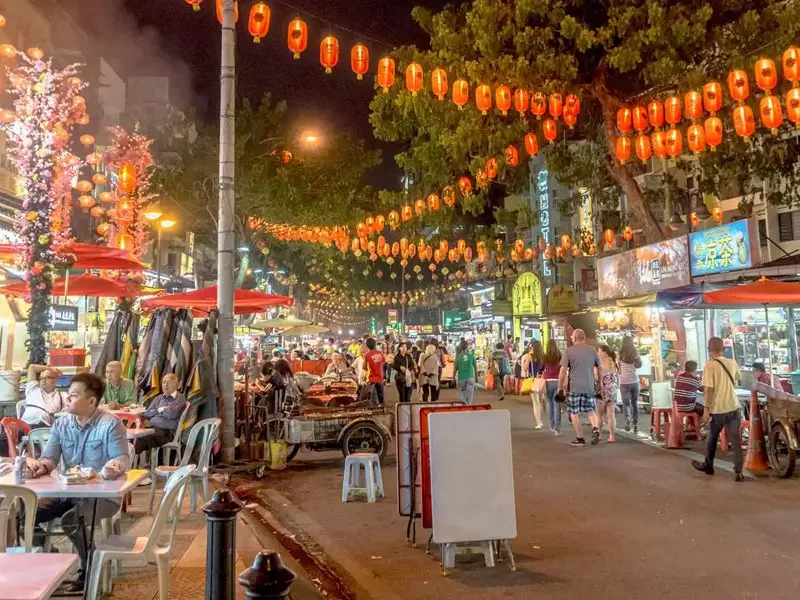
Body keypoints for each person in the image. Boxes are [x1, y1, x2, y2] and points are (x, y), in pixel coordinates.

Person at [27, 373, 129, 592]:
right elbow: (50, 458)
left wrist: (113, 467)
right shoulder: (61, 423)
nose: (68, 399)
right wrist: (40, 466)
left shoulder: (111, 424)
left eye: (73, 395)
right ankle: (47, 557)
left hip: (101, 496)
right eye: (68, 394)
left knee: (71, 519)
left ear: (91, 400)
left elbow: (121, 458)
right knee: (22, 515)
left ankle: (89, 566)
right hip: (65, 492)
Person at [692, 337, 745, 482]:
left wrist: (707, 409)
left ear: (710, 350)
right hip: (734, 407)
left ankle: (708, 465)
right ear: (723, 349)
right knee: (735, 440)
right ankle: (739, 472)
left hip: (719, 408)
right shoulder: (732, 362)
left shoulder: (710, 365)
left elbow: (709, 389)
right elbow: (738, 378)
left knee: (712, 437)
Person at [558, 329, 602, 446]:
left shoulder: (569, 351)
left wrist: (560, 387)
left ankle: (580, 437)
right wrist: (599, 384)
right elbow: (599, 368)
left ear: (574, 337)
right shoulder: (592, 350)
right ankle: (595, 428)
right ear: (584, 337)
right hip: (589, 385)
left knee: (574, 412)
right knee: (590, 410)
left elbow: (563, 371)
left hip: (574, 387)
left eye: (572, 337)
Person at [135, 373, 188, 455]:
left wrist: (155, 413)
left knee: (141, 440)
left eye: (169, 382)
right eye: (164, 382)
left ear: (176, 385)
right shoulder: (158, 398)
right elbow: (147, 414)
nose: (165, 385)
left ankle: (127, 463)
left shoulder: (180, 398)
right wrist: (161, 409)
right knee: (132, 437)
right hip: (151, 428)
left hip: (166, 432)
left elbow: (172, 414)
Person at [618, 336, 642, 434]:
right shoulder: (635, 353)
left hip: (624, 381)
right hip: (634, 381)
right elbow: (638, 366)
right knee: (634, 403)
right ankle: (635, 423)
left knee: (626, 404)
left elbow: (618, 367)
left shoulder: (619, 355)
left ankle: (627, 418)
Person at [521, 341, 545, 429]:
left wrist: (528, 357)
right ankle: (541, 419)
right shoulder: (543, 356)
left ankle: (538, 422)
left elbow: (525, 368)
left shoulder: (530, 356)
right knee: (540, 401)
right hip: (541, 380)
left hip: (533, 380)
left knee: (536, 402)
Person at [598, 345, 619, 443]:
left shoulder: (599, 362)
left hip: (601, 390)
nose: (598, 353)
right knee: (611, 415)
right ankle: (612, 436)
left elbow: (596, 376)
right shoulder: (614, 361)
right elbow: (617, 376)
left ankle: (600, 435)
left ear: (604, 352)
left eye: (599, 351)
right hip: (612, 390)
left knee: (599, 414)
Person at [543, 341, 562, 435]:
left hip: (547, 382)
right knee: (557, 405)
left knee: (550, 404)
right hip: (558, 381)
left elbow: (540, 369)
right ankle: (557, 429)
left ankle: (552, 425)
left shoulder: (545, 357)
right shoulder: (560, 356)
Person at [363, 338, 386, 405]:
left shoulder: (367, 355)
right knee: (380, 394)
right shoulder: (380, 353)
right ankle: (382, 406)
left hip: (371, 378)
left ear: (367, 346)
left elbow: (363, 367)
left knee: (370, 395)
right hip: (380, 377)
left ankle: (371, 408)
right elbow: (383, 362)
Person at [454, 340, 477, 405]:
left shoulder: (458, 357)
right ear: (467, 347)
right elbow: (475, 367)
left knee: (460, 394)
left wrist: (453, 378)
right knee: (469, 396)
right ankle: (468, 406)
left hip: (461, 378)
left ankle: (465, 405)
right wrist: (476, 377)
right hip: (470, 378)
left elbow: (455, 368)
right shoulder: (471, 356)